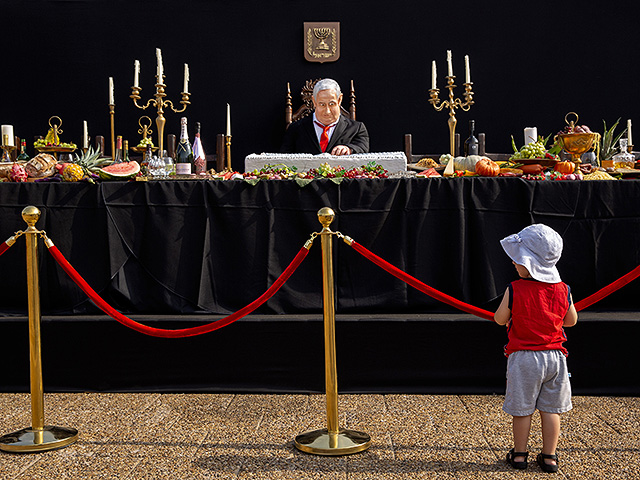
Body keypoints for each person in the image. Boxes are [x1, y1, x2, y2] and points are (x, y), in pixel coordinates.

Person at [494, 224, 578, 473]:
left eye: (518, 260)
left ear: (529, 263)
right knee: (551, 410)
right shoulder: (564, 289)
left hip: (524, 359)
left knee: (522, 409)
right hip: (555, 359)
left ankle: (519, 455)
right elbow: (571, 321)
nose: (513, 263)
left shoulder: (514, 289)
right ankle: (549, 457)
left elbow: (499, 318)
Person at [281, 78, 369, 155]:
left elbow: (362, 148)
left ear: (339, 100)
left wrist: (349, 149)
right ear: (314, 102)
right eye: (322, 104)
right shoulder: (295, 129)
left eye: (331, 104)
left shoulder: (357, 129)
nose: (327, 111)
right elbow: (284, 159)